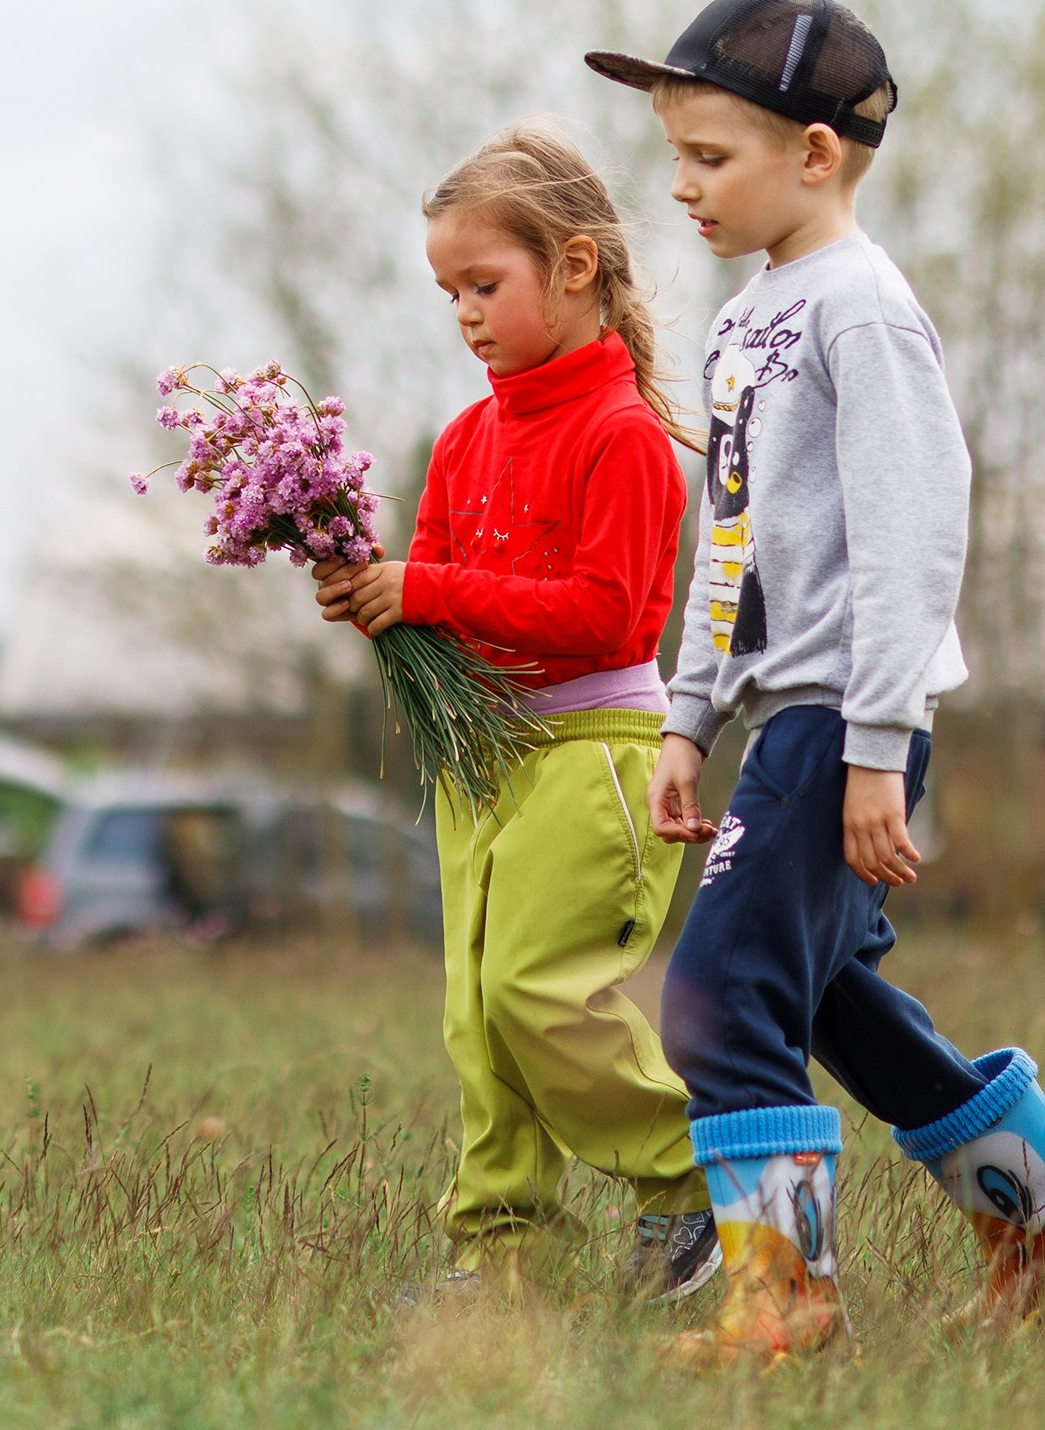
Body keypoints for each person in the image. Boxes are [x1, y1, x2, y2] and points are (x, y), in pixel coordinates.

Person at [584, 0, 1045, 1363]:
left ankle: (784, 1297)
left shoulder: (864, 311)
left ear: (817, 153)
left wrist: (877, 744)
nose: (681, 187)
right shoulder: (744, 324)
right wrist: (689, 715)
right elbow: (726, 535)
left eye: (710, 157)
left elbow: (912, 537)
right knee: (828, 999)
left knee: (719, 994)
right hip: (784, 712)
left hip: (850, 712)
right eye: (675, 156)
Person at [313, 120, 719, 1301]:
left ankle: (691, 1188)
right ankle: (505, 1261)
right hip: (483, 754)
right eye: (450, 293)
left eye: (483, 284)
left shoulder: (625, 437)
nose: (465, 314)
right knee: (476, 1019)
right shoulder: (462, 439)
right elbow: (441, 594)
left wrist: (424, 587)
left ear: (577, 267)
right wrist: (375, 598)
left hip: (593, 752)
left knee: (543, 996)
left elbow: (605, 619)